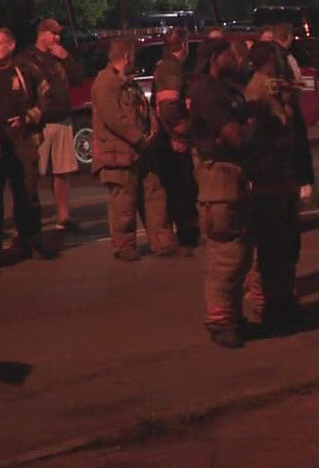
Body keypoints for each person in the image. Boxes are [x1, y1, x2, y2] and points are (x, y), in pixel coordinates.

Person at [188, 37, 258, 347]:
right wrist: (255, 125)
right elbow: (236, 137)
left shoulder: (228, 90)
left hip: (236, 177)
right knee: (226, 256)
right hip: (218, 180)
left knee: (241, 253)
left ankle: (233, 316)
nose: (236, 57)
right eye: (230, 52)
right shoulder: (207, 92)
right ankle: (219, 320)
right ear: (216, 57)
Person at [241, 41, 312, 334]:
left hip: (285, 177)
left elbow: (296, 135)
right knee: (271, 246)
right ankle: (269, 305)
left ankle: (283, 300)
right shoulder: (258, 91)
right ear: (268, 60)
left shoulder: (276, 88)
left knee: (288, 243)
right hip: (268, 181)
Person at [92, 37, 175, 261]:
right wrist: (139, 138)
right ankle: (124, 246)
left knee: (154, 195)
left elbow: (144, 110)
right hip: (119, 155)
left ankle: (163, 242)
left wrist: (153, 130)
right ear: (127, 57)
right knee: (123, 204)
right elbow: (114, 118)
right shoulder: (105, 84)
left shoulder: (128, 83)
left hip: (141, 153)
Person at [0, 27, 52, 261]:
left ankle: (31, 240)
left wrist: (29, 117)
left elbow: (47, 96)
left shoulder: (27, 71)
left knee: (27, 193)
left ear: (11, 46)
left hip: (22, 140)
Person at [26, 19, 86, 238]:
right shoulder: (28, 58)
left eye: (59, 34)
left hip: (62, 119)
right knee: (35, 173)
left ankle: (63, 216)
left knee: (63, 171)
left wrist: (66, 58)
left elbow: (79, 79)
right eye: (54, 34)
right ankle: (33, 217)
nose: (57, 38)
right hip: (41, 122)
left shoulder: (60, 55)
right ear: (42, 34)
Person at [150, 27, 198, 250]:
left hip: (171, 140)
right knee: (182, 189)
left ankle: (186, 233)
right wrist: (183, 131)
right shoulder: (171, 70)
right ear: (184, 45)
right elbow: (169, 109)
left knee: (181, 188)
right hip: (173, 143)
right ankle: (187, 236)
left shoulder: (169, 68)